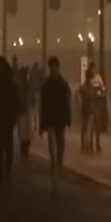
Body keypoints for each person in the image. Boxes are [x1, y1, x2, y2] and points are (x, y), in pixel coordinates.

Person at [38, 57, 72, 188]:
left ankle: (59, 165)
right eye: (51, 68)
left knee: (60, 144)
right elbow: (43, 106)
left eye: (54, 68)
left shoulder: (63, 85)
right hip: (52, 120)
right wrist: (42, 124)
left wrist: (68, 119)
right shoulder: (47, 86)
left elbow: (67, 103)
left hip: (60, 120)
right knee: (53, 147)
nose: (52, 70)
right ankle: (55, 168)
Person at [0, 56, 21, 183]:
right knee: (8, 145)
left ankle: (1, 171)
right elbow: (15, 98)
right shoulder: (10, 80)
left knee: (0, 146)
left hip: (0, 119)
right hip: (8, 118)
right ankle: (7, 170)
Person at [15, 65, 34, 162]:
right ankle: (24, 153)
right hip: (21, 112)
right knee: (23, 134)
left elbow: (32, 99)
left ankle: (26, 152)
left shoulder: (29, 86)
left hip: (27, 112)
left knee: (29, 134)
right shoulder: (18, 87)